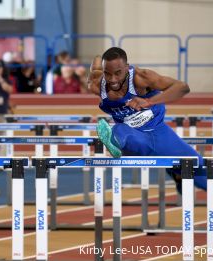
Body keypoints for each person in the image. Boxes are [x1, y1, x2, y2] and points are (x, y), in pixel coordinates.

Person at [88, 47, 206, 192]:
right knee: (120, 131)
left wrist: (150, 101)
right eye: (108, 74)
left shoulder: (141, 77)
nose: (113, 80)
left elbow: (182, 87)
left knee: (199, 167)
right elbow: (95, 66)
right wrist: (97, 60)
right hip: (133, 137)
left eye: (118, 73)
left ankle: (177, 174)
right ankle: (113, 142)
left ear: (127, 67)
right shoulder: (96, 84)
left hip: (159, 132)